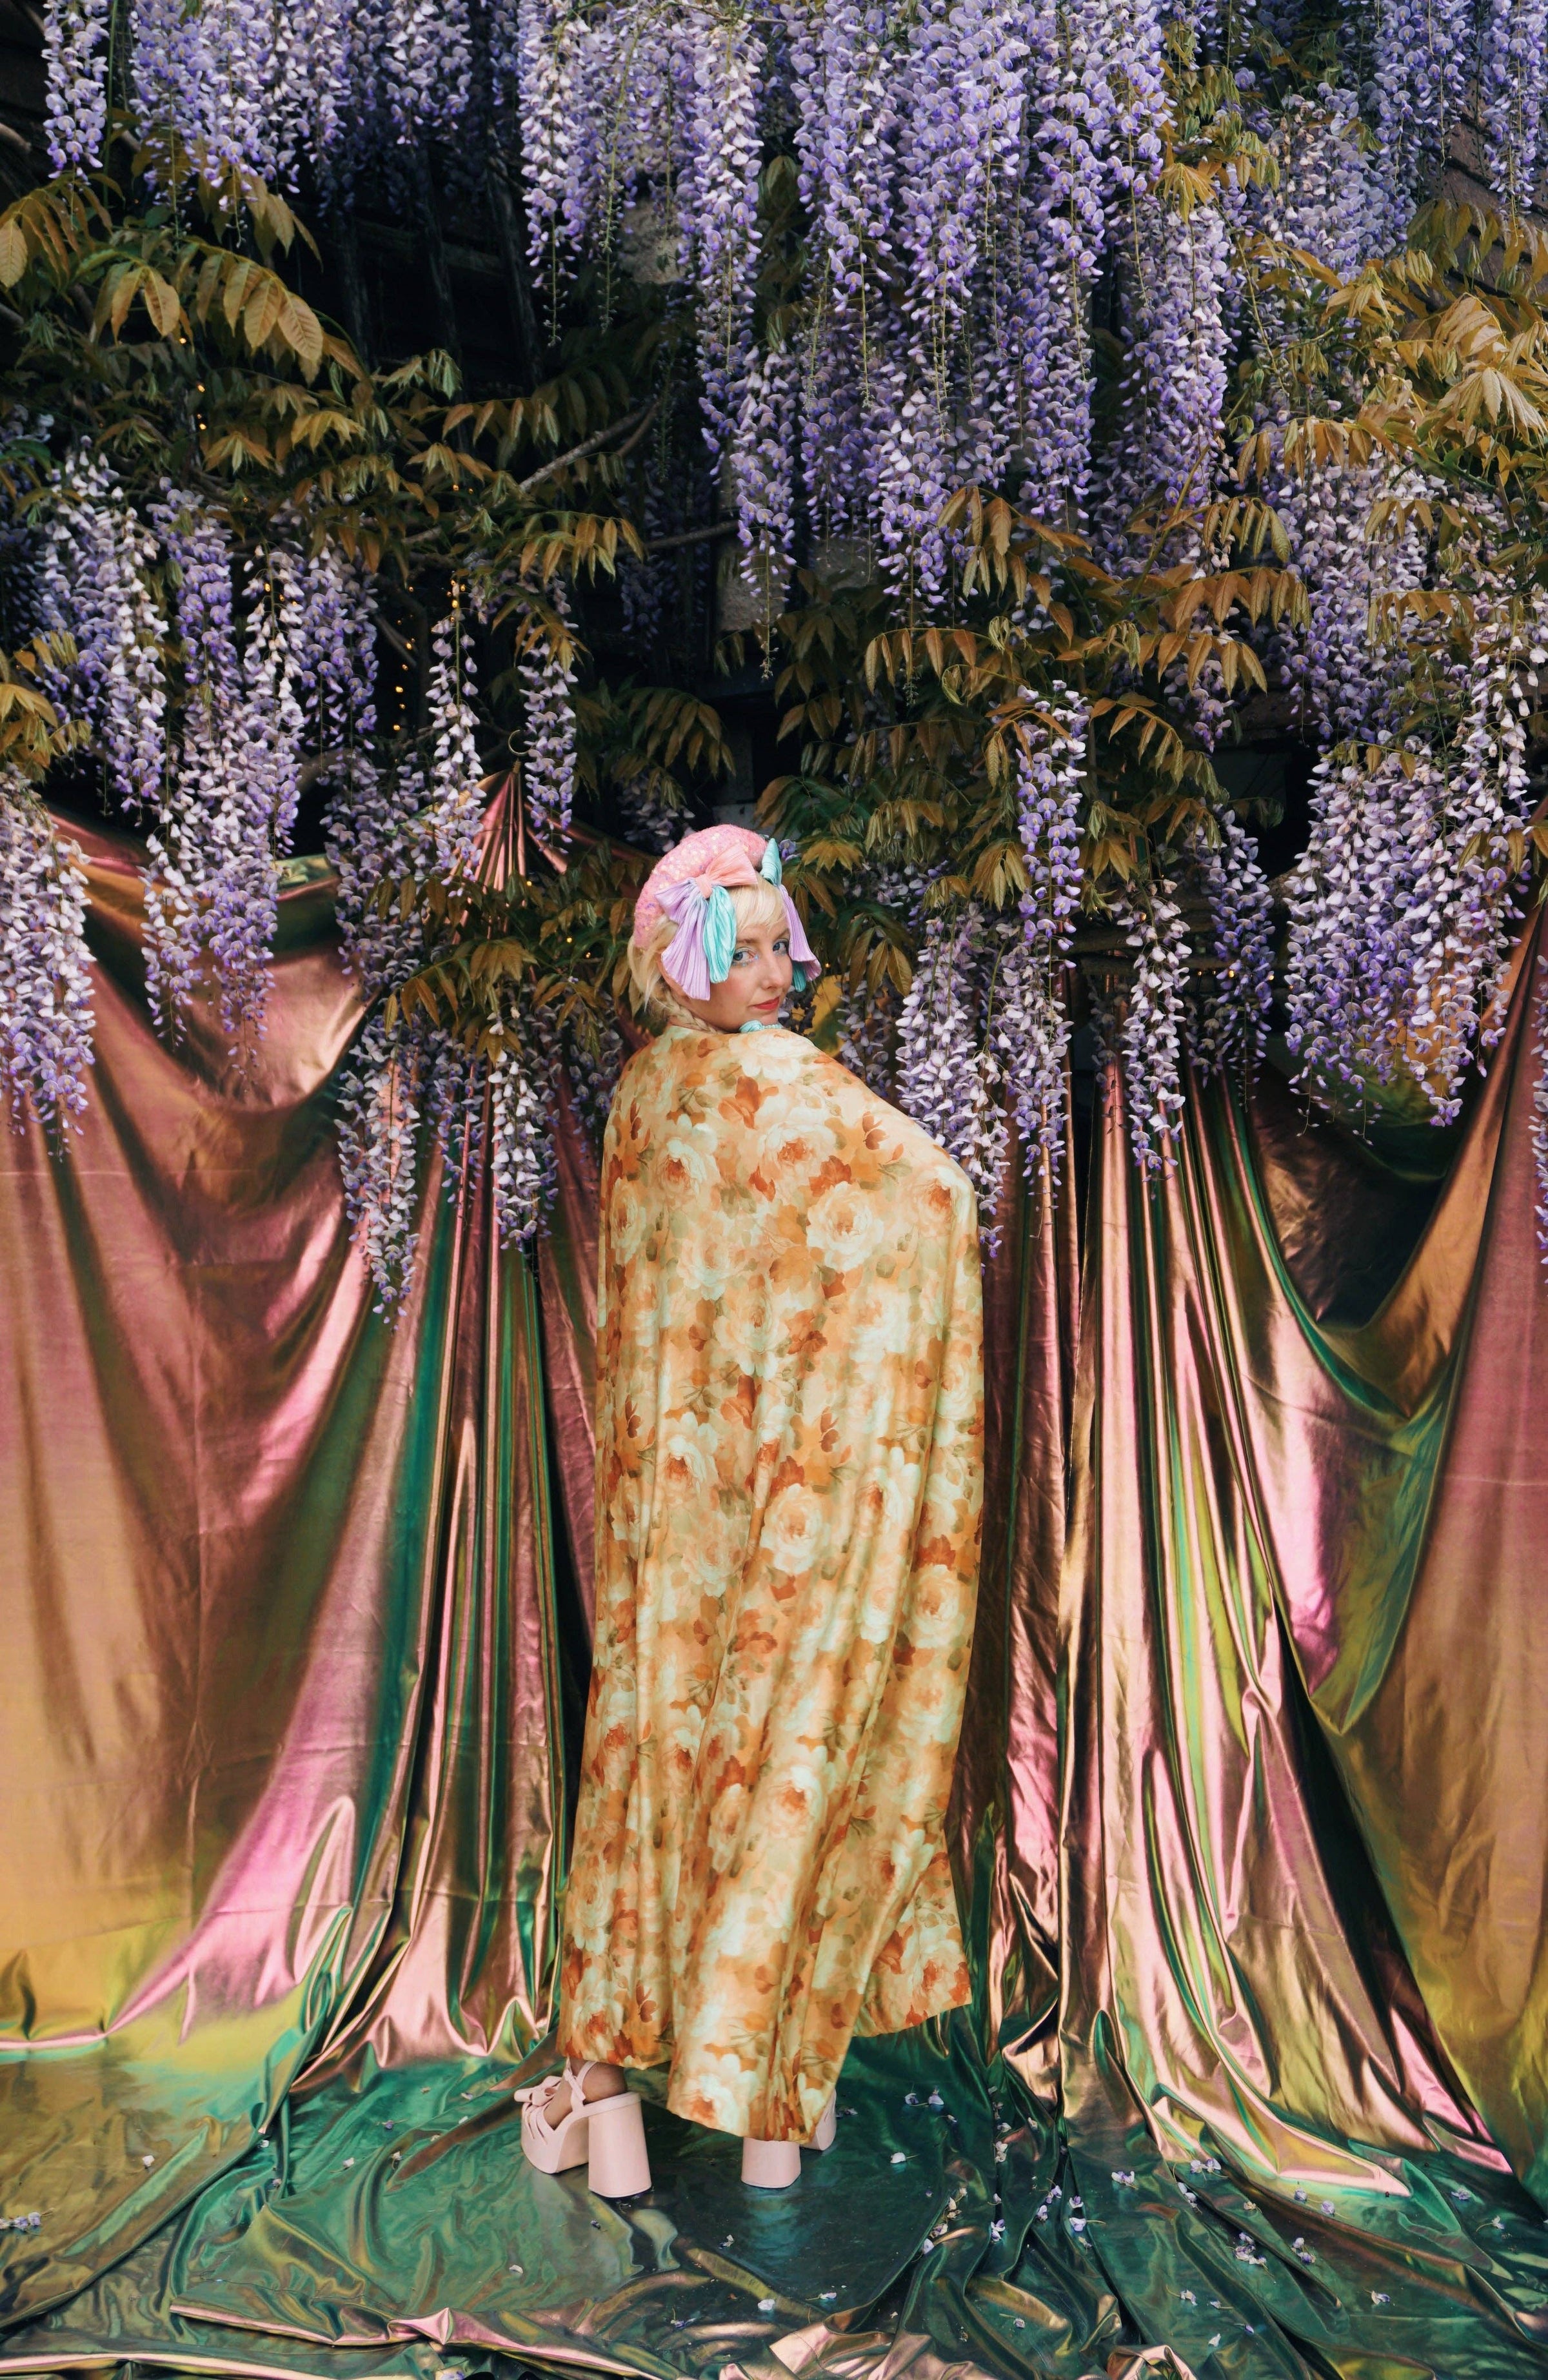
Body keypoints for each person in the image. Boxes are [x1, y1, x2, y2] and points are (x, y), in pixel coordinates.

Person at [518, 824, 984, 2194]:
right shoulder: (783, 1083)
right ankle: (771, 2106)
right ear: (688, 959)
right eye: (749, 949)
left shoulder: (644, 1096)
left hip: (673, 1520)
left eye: (786, 947)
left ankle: (608, 2100)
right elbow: (933, 1194)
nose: (778, 973)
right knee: (780, 1749)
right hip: (778, 1510)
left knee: (651, 1759)